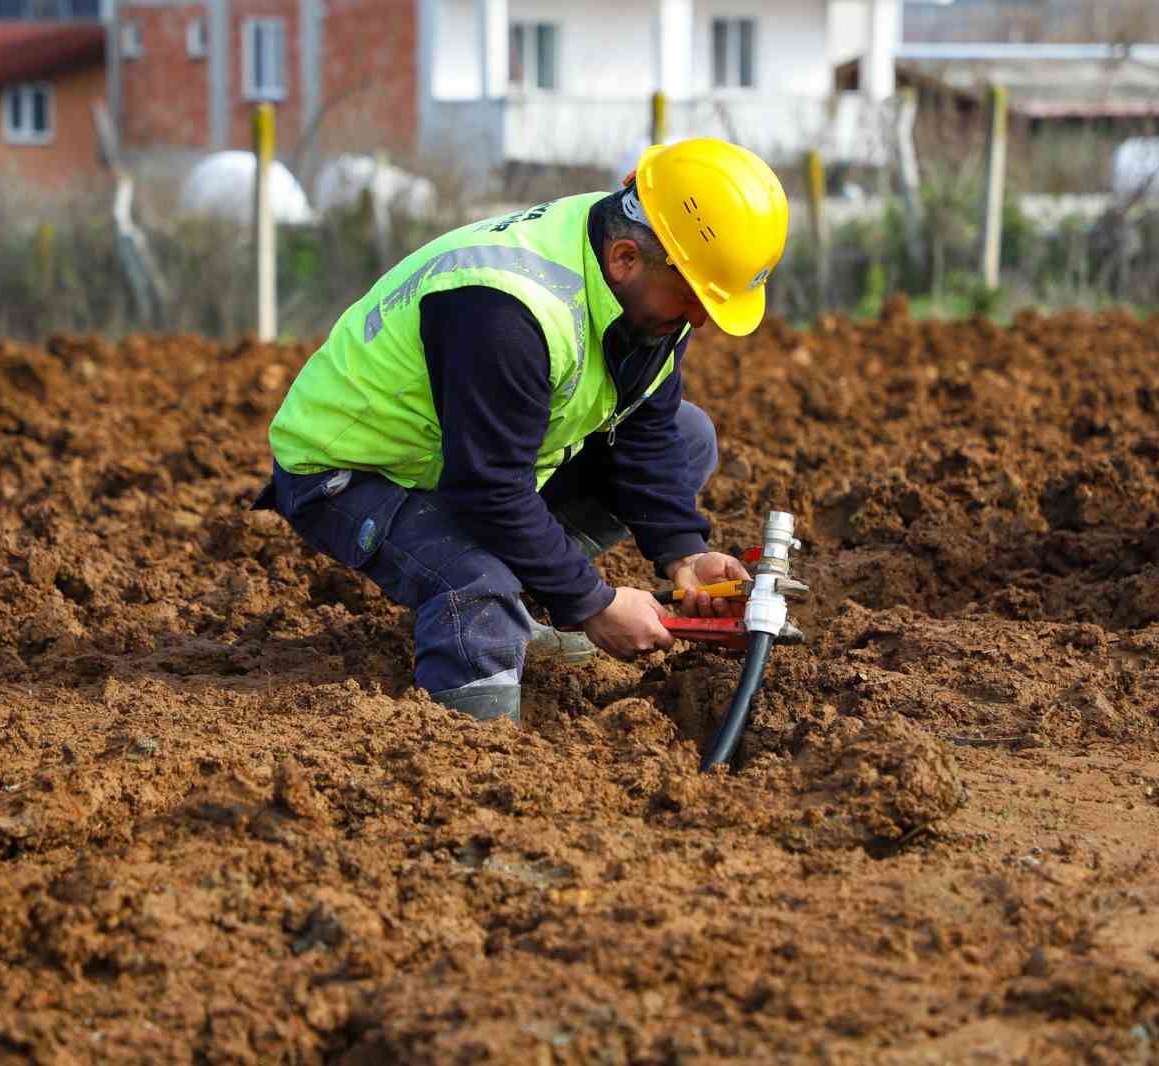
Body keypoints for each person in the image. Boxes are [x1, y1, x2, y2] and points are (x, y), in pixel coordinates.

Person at [253, 138, 789, 724]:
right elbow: (488, 491)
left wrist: (683, 552)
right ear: (626, 259)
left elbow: (646, 429)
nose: (700, 319)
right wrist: (593, 603)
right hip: (352, 470)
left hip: (471, 462)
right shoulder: (506, 311)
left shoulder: (653, 278)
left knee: (688, 437)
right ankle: (470, 741)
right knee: (477, 585)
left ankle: (526, 602)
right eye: (696, 299)